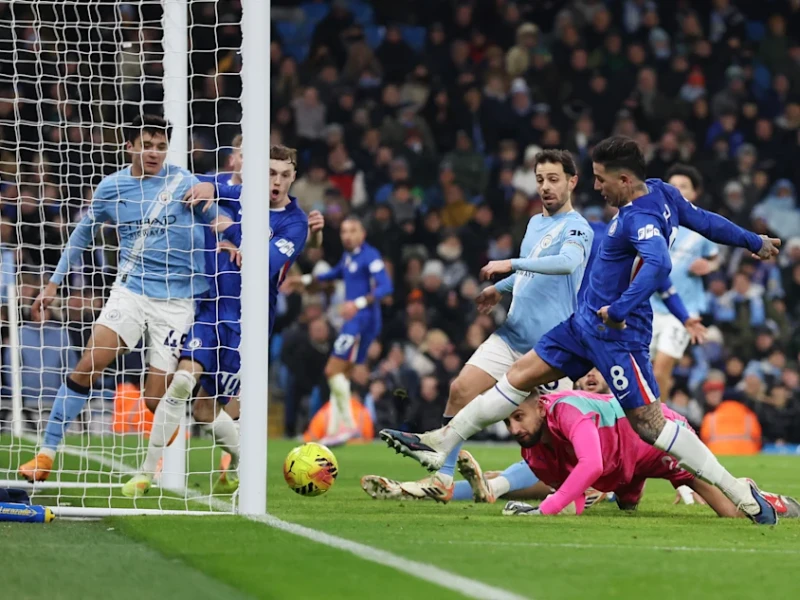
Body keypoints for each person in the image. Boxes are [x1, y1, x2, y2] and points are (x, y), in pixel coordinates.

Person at [380, 135, 782, 525]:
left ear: (623, 180)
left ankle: (738, 490)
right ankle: (442, 443)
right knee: (519, 375)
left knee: (650, 424)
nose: (595, 185)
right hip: (581, 324)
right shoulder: (661, 193)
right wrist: (752, 240)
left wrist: (620, 309)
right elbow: (705, 220)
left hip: (616, 336)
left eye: (600, 178)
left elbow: (658, 265)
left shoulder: (640, 218)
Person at [19, 115, 210, 483]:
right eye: (146, 144)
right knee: (89, 363)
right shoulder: (112, 188)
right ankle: (45, 455)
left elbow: (214, 216)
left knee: (156, 401)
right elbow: (81, 235)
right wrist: (54, 283)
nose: (154, 152)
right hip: (131, 290)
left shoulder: (184, 181)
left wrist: (224, 222)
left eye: (160, 146)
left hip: (177, 302)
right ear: (130, 146)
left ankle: (209, 430)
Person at [121, 144, 312, 497]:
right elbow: (201, 186)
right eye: (270, 173)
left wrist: (229, 228)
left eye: (285, 175)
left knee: (208, 410)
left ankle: (243, 462)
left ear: (294, 177)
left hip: (246, 323)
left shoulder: (295, 223)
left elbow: (265, 262)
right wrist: (208, 190)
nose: (277, 182)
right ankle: (145, 473)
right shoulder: (240, 193)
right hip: (209, 308)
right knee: (181, 381)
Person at [494, 387, 800, 520]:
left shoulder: (566, 411)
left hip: (654, 441)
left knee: (731, 513)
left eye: (518, 417)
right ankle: (624, 493)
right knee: (627, 508)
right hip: (624, 464)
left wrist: (544, 509)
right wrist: (546, 508)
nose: (513, 428)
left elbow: (591, 464)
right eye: (507, 421)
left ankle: (768, 499)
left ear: (539, 405)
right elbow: (572, 500)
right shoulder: (533, 450)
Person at [361, 368, 611, 504]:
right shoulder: (568, 407)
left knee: (503, 480)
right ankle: (407, 489)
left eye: (598, 371)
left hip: (587, 483)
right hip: (559, 475)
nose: (591, 375)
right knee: (499, 479)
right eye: (588, 371)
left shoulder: (614, 412)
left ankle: (482, 486)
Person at [292, 216, 393, 446]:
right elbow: (335, 274)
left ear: (362, 234)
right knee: (343, 374)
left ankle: (346, 426)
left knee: (332, 370)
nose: (347, 235)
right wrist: (306, 279)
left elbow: (386, 286)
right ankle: (339, 428)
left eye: (352, 230)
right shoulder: (349, 257)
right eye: (344, 231)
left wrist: (356, 304)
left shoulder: (370, 256)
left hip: (361, 320)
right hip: (356, 321)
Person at [649, 165, 719, 401]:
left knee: (660, 372)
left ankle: (658, 428)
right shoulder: (653, 222)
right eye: (673, 186)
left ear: (694, 193)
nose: (677, 191)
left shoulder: (701, 228)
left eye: (683, 186)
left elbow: (715, 258)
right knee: (641, 372)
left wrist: (709, 267)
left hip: (682, 312)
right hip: (647, 307)